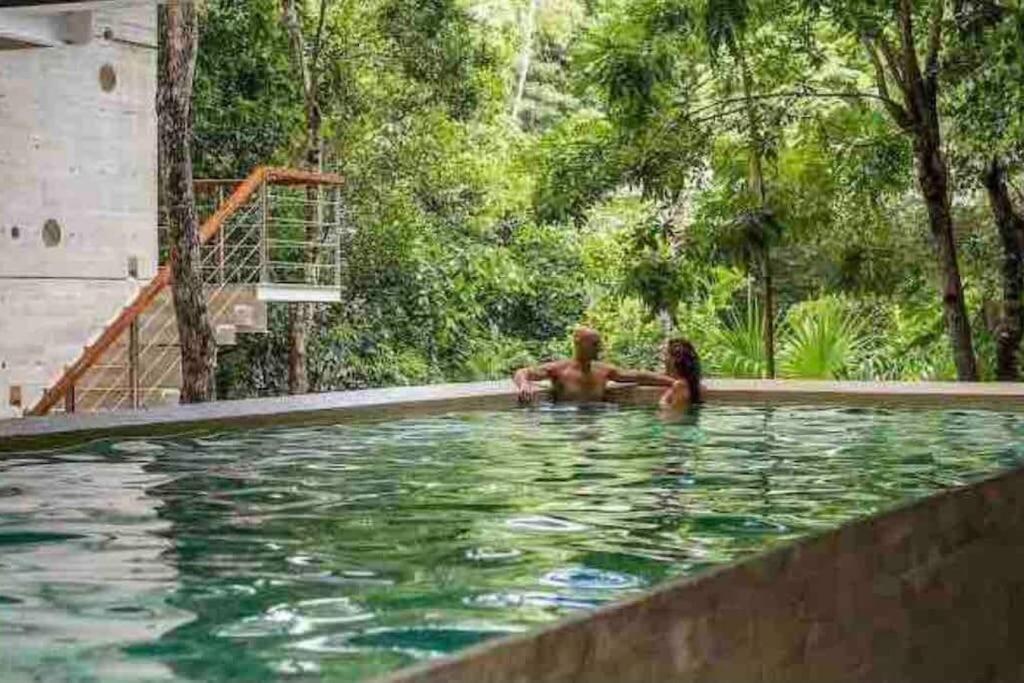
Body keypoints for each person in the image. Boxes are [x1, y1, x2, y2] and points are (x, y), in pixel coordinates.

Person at [513, 327, 676, 403]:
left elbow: (639, 376)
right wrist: (524, 384)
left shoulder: (603, 370)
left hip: (596, 420)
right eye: (594, 344)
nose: (599, 348)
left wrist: (674, 382)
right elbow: (522, 372)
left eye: (599, 344)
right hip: (567, 423)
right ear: (578, 343)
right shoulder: (560, 369)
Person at [659, 338, 703, 411]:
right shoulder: (687, 383)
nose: (663, 359)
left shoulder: (680, 386)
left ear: (673, 361)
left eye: (666, 355)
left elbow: (676, 413)